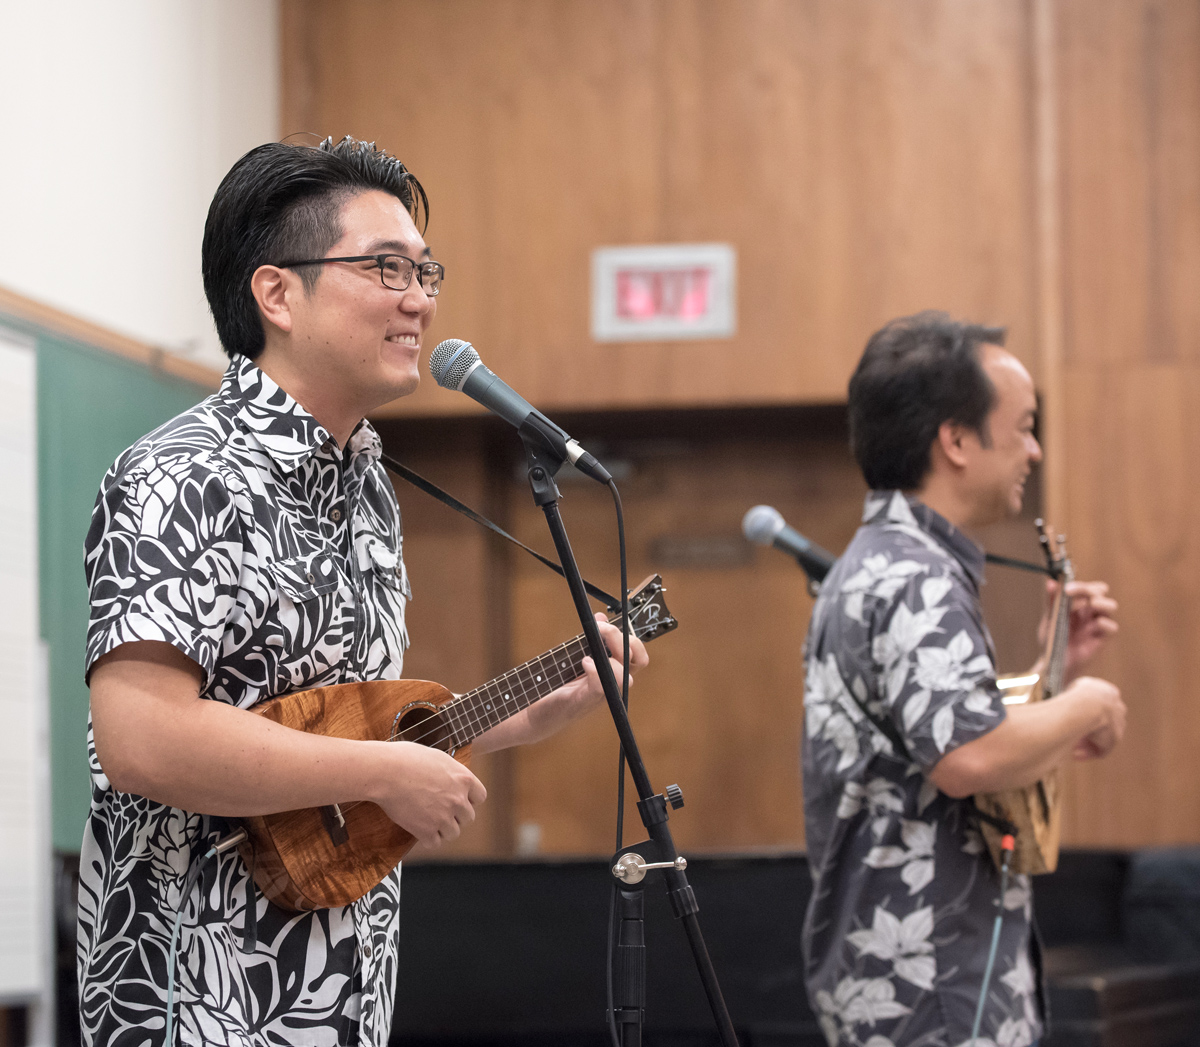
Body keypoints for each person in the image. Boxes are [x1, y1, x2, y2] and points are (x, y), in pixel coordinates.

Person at [78, 136, 648, 1047]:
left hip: (345, 984)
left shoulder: (368, 484)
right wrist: (386, 772)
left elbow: (345, 725)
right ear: (278, 294)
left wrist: (535, 711)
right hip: (200, 994)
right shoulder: (183, 477)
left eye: (426, 271)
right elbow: (142, 735)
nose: (419, 298)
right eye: (386, 267)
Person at [801, 312, 1124, 1047]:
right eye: (1024, 426)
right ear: (955, 440)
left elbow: (940, 739)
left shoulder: (876, 561)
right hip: (932, 982)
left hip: (905, 976)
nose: (1035, 451)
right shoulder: (917, 575)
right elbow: (967, 759)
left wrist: (1053, 666)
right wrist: (1088, 702)